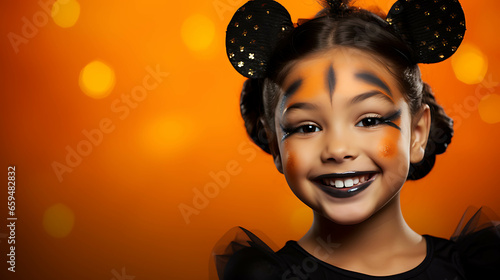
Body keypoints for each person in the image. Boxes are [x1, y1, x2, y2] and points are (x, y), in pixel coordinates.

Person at [212, 0, 500, 279]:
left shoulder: (476, 267)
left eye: (370, 121)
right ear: (275, 143)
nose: (338, 150)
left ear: (417, 133)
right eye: (307, 128)